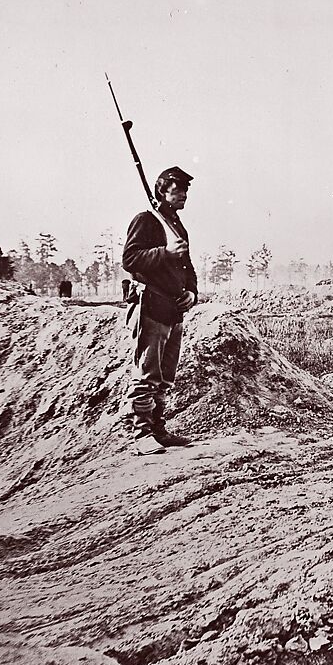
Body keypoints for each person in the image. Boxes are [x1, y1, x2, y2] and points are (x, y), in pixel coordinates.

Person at [121, 166, 199, 455]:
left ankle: (158, 429)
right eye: (178, 190)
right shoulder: (148, 221)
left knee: (165, 376)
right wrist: (164, 253)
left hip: (173, 309)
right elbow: (130, 258)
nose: (184, 196)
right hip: (151, 305)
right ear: (162, 190)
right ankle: (142, 434)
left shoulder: (177, 227)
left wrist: (192, 292)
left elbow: (187, 267)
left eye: (186, 191)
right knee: (147, 373)